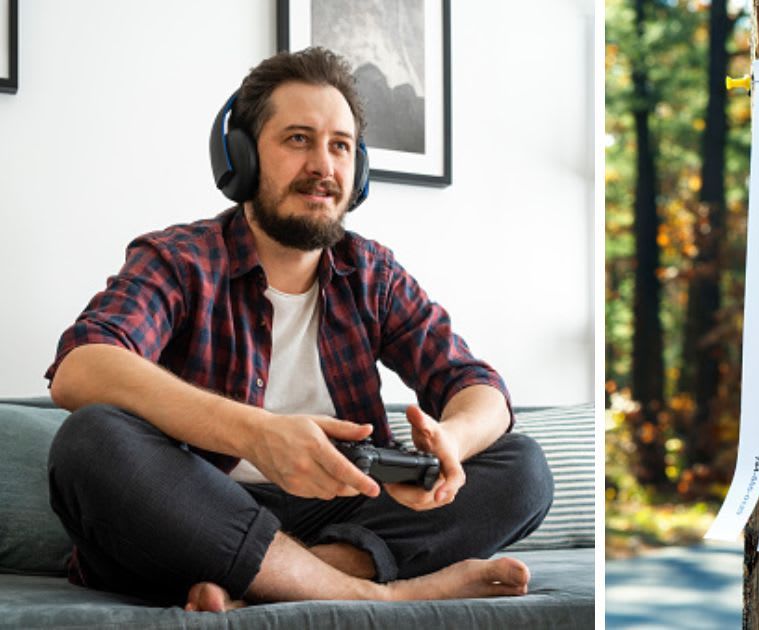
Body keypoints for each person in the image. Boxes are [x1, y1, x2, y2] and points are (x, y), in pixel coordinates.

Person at [43, 47, 553, 612]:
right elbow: (81, 367)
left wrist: (450, 444)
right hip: (200, 509)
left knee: (523, 467)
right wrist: (256, 434)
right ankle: (375, 594)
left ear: (357, 171)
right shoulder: (178, 258)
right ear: (242, 157)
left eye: (339, 146)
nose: (323, 166)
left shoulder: (373, 274)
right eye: (297, 139)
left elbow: (475, 384)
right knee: (90, 441)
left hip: (339, 513)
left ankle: (283, 583)